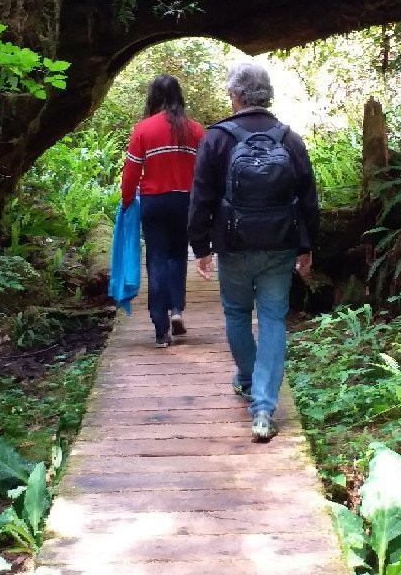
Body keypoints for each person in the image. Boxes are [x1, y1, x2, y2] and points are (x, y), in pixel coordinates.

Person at [188, 62, 319, 441]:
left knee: (236, 312)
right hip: (280, 244)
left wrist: (201, 247)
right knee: (274, 318)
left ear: (235, 95)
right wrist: (307, 246)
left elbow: (201, 197)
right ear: (268, 95)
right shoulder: (289, 139)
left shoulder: (216, 138)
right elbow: (308, 199)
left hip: (234, 243)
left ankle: (246, 378)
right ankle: (263, 408)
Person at [121, 75, 205, 348]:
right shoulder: (194, 130)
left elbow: (132, 170)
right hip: (185, 202)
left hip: (154, 202)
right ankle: (177, 310)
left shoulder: (143, 129)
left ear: (153, 96)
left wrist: (125, 200)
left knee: (156, 259)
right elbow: (204, 171)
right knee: (178, 256)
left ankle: (160, 330)